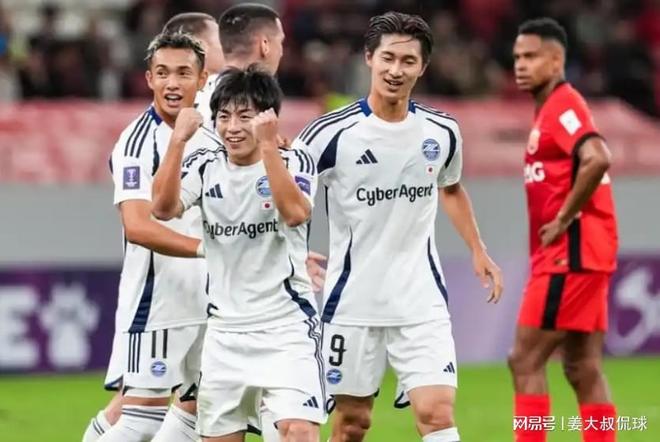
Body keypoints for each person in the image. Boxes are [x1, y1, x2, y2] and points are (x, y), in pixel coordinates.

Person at [292, 11, 503, 442]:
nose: (396, 70)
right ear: (369, 58)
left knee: (437, 414)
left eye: (408, 61)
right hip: (351, 301)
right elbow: (291, 202)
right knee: (353, 424)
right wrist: (293, 254)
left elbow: (450, 188)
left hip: (419, 298)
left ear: (423, 67)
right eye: (388, 58)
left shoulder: (442, 131)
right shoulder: (327, 135)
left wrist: (477, 249)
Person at [151, 65, 326, 442]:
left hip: (286, 328)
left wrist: (269, 147)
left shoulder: (295, 160)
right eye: (224, 116)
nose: (232, 127)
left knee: (298, 431)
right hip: (225, 335)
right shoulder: (205, 167)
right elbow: (162, 209)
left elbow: (295, 213)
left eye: (244, 117)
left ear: (268, 119)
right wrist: (177, 141)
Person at [82, 32, 214, 442]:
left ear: (202, 79)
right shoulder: (137, 142)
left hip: (210, 301)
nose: (172, 83)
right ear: (149, 79)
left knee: (200, 414)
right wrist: (207, 251)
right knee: (141, 420)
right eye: (163, 73)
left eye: (183, 73)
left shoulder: (215, 129)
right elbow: (137, 226)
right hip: (158, 302)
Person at [508, 18, 618, 442]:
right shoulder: (549, 110)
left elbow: (597, 156)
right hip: (587, 253)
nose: (521, 65)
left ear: (556, 61)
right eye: (517, 57)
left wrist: (565, 217)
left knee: (524, 359)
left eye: (531, 56)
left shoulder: (563, 106)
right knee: (582, 366)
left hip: (568, 254)